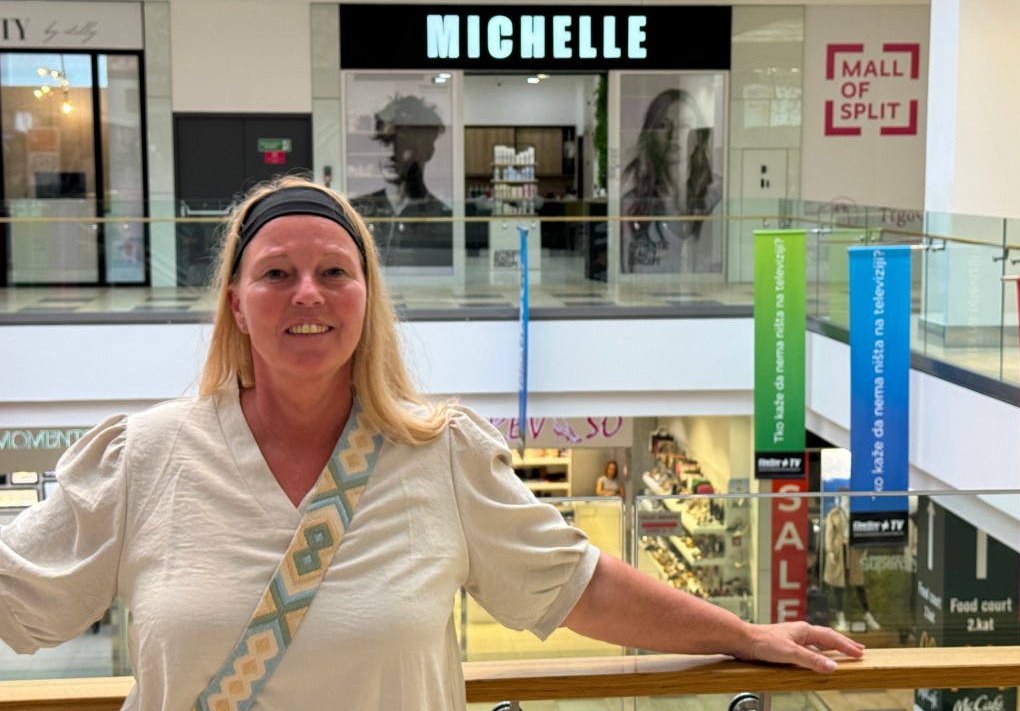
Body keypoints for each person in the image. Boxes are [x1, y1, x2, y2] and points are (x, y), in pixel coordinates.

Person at [0, 176, 862, 710]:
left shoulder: (441, 454)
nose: (308, 294)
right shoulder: (146, 457)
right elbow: (20, 596)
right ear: (236, 303)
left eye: (335, 272)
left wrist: (742, 634)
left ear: (366, 297)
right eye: (276, 273)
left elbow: (578, 584)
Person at [620, 87, 723, 275]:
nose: (674, 134)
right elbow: (626, 266)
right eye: (663, 125)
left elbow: (704, 254)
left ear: (699, 136)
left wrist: (672, 207)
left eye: (685, 125)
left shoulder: (716, 192)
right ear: (651, 134)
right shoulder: (633, 201)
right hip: (645, 290)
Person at [349, 93, 453, 268]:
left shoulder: (442, 218)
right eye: (385, 143)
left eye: (404, 143)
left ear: (427, 151)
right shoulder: (357, 212)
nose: (391, 153)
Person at [823, 492, 882, 631]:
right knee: (839, 584)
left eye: (847, 497)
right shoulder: (834, 514)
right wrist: (830, 550)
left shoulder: (856, 512)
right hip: (839, 550)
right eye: (843, 497)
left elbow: (863, 531)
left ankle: (867, 614)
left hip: (853, 549)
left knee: (858, 583)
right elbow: (829, 533)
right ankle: (841, 616)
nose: (846, 499)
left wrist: (864, 549)